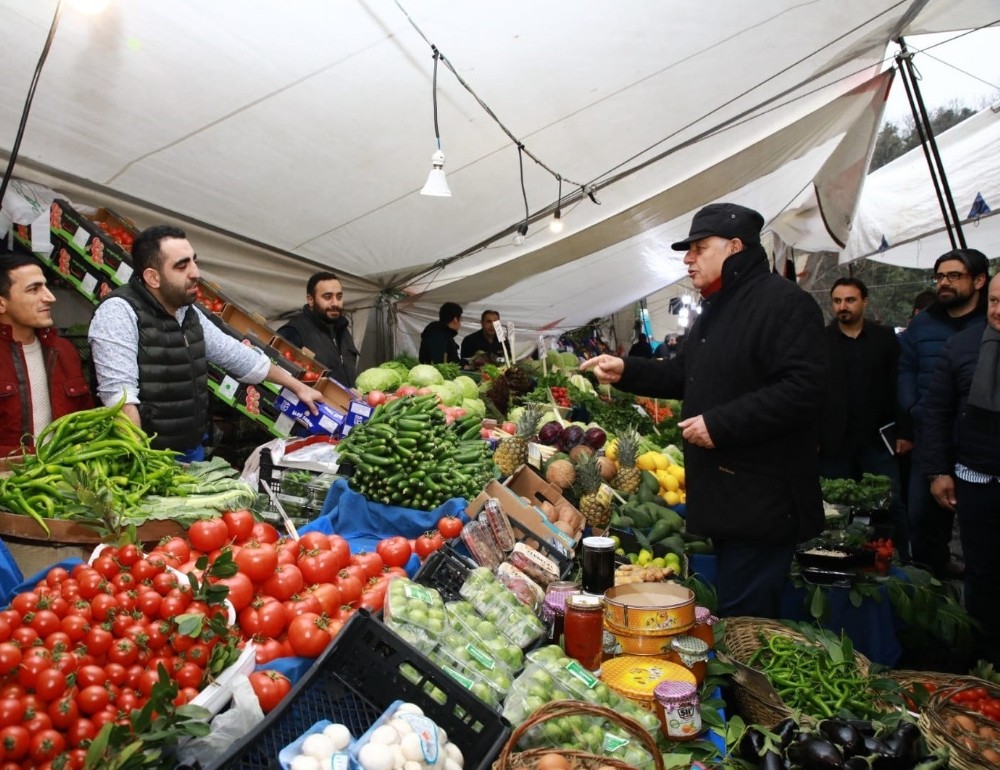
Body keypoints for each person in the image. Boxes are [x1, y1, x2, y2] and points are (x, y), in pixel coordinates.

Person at [581, 202, 827, 618]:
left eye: (698, 248)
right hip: (728, 497)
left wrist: (720, 424)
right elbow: (683, 375)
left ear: (734, 247)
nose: (687, 259)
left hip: (763, 497)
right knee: (736, 608)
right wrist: (625, 369)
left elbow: (804, 389)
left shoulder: (783, 303)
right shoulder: (715, 309)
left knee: (747, 616)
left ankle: (747, 680)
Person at [88, 225, 323, 461]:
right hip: (151, 456)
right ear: (153, 277)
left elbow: (238, 356)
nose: (195, 273)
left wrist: (298, 386)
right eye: (182, 265)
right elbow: (120, 399)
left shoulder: (187, 313)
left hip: (191, 449)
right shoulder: (119, 313)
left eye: (194, 261)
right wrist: (142, 465)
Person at [921, 272, 999, 665]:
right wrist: (938, 471)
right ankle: (983, 658)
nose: (998, 311)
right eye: (996, 302)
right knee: (981, 571)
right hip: (977, 477)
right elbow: (937, 413)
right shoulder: (963, 346)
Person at [898, 248, 989, 577]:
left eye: (954, 276)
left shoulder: (989, 324)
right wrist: (912, 406)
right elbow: (906, 369)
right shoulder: (923, 324)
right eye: (939, 277)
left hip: (978, 443)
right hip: (930, 437)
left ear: (979, 280)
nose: (944, 283)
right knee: (923, 522)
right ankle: (932, 592)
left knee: (980, 529)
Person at [819, 278, 908, 552]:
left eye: (850, 300)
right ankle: (835, 559)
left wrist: (904, 432)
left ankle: (898, 559)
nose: (843, 306)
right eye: (837, 301)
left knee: (890, 504)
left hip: (878, 439)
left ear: (865, 302)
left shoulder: (885, 339)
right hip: (835, 442)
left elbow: (899, 385)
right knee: (833, 508)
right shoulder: (821, 340)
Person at [0, 252, 93, 456]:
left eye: (46, 286)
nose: (50, 297)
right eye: (34, 289)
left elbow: (84, 422)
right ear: (1, 303)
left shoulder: (64, 352)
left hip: (62, 477)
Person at [276, 271, 359, 387]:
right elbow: (276, 379)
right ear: (310, 300)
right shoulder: (293, 332)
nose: (335, 303)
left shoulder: (342, 329)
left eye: (339, 297)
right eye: (327, 297)